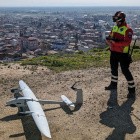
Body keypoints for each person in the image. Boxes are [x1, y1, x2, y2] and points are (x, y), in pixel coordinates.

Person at [105, 11, 135, 99]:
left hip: (123, 54)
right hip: (113, 52)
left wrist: (114, 43)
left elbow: (127, 42)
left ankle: (132, 90)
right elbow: (110, 36)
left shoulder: (128, 29)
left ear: (121, 19)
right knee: (113, 69)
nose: (116, 21)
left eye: (117, 19)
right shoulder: (114, 27)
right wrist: (108, 41)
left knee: (125, 71)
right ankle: (113, 85)